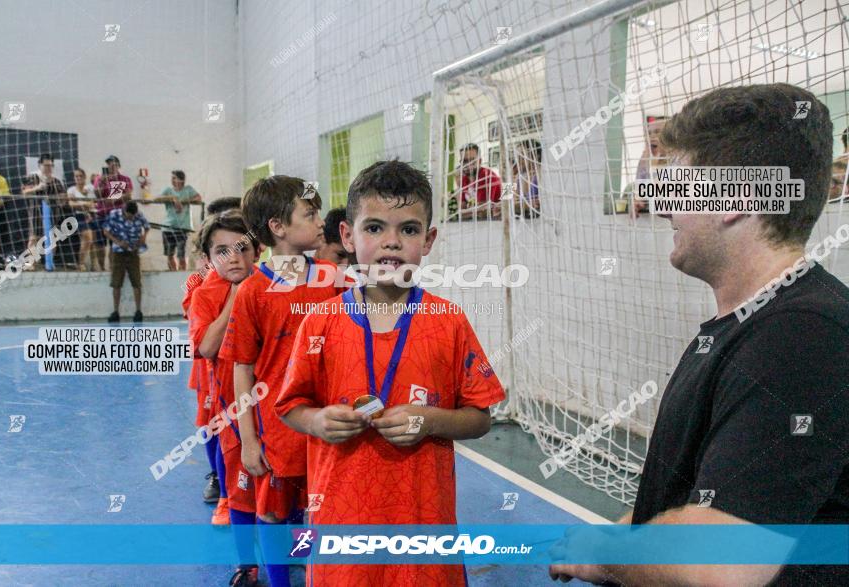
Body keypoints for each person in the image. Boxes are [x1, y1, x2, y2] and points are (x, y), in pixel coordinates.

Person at [548, 84, 849, 586]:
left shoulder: (803, 336)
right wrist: (629, 537)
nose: (663, 204)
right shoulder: (757, 324)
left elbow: (721, 562)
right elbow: (705, 494)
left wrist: (601, 554)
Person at [275, 160, 506, 586]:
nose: (392, 243)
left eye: (410, 230)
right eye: (375, 228)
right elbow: (289, 406)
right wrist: (318, 420)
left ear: (429, 239)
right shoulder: (320, 323)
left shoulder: (448, 322)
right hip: (341, 526)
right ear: (347, 235)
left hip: (423, 530)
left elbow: (479, 418)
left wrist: (429, 419)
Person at [219, 175, 342, 587]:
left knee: (316, 509)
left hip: (326, 427)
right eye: (309, 213)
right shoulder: (253, 291)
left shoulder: (332, 280)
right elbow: (242, 369)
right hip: (277, 432)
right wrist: (249, 439)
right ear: (278, 227)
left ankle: (309, 574)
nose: (320, 220)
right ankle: (279, 581)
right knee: (272, 512)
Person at [189, 210, 262, 582]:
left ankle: (296, 556)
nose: (234, 257)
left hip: (278, 409)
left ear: (256, 251)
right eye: (222, 251)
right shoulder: (205, 295)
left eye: (242, 248)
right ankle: (246, 563)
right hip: (233, 411)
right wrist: (236, 296)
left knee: (291, 489)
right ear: (208, 259)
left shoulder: (273, 288)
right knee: (241, 490)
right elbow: (206, 347)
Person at [181, 196, 243, 508]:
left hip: (244, 372)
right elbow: (204, 343)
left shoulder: (258, 279)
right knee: (212, 421)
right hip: (210, 371)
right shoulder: (200, 284)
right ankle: (219, 479)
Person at [145, 170, 202, 271]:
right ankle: (173, 272)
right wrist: (173, 198)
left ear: (181, 180)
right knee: (170, 254)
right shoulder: (168, 190)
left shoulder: (188, 189)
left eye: (174, 178)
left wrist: (183, 202)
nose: (172, 180)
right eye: (172, 178)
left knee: (181, 255)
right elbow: (156, 199)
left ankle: (181, 274)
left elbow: (198, 198)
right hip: (168, 227)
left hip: (182, 227)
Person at [102, 200, 148, 323]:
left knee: (136, 281)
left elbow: (147, 227)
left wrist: (143, 237)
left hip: (133, 250)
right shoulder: (114, 215)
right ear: (124, 210)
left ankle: (138, 311)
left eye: (133, 216)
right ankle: (116, 311)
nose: (131, 218)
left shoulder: (139, 215)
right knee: (116, 283)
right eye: (129, 216)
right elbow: (106, 231)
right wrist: (118, 242)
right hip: (118, 252)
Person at [21, 154, 68, 270]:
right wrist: (37, 188)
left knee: (52, 239)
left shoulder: (56, 181)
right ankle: (30, 264)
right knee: (33, 238)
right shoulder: (33, 177)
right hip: (36, 213)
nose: (48, 168)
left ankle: (50, 263)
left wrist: (60, 198)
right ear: (39, 165)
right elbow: (24, 192)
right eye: (45, 165)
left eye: (50, 165)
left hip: (52, 213)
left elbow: (63, 198)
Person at [93, 155, 133, 270]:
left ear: (118, 166)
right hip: (101, 214)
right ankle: (101, 268)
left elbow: (128, 195)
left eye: (114, 164)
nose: (112, 166)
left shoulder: (123, 179)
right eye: (109, 164)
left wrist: (115, 199)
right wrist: (102, 182)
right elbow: (97, 195)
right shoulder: (99, 178)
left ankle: (112, 268)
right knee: (100, 244)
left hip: (116, 215)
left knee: (113, 244)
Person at [454, 143, 502, 220]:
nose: (467, 164)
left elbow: (483, 211)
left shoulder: (487, 176)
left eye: (471, 161)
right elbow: (460, 210)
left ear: (479, 161)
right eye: (464, 161)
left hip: (497, 222)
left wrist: (467, 211)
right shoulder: (464, 179)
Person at [66, 168, 98, 271]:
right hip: (79, 216)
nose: (78, 178)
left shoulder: (90, 188)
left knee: (94, 241)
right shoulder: (71, 190)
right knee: (87, 237)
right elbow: (71, 204)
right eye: (76, 176)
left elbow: (93, 203)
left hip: (92, 215)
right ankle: (81, 263)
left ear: (85, 177)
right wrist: (84, 204)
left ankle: (94, 265)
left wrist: (80, 203)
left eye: (80, 176)